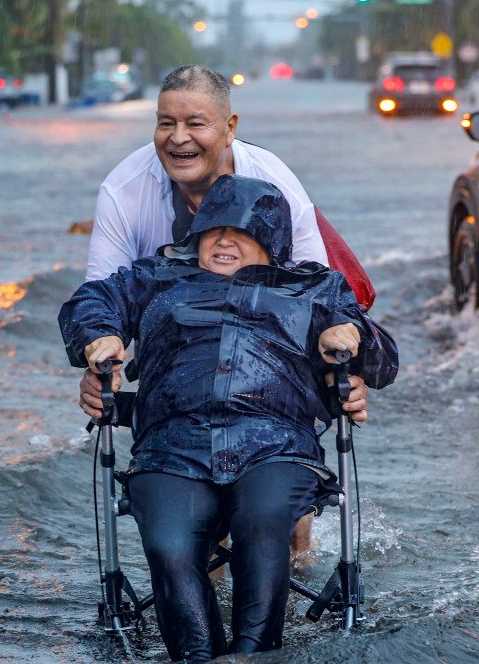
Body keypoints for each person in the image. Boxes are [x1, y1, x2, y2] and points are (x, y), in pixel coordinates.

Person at [60, 175, 398, 660]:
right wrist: (98, 336)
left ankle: (252, 654)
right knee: (169, 544)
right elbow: (89, 301)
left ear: (273, 242)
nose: (223, 241)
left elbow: (386, 362)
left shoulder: (316, 289)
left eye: (241, 232)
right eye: (213, 231)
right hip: (170, 447)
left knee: (263, 525)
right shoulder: (155, 277)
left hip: (276, 446)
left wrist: (352, 335)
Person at [77, 64, 371, 553]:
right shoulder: (124, 192)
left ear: (230, 127)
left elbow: (321, 296)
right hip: (178, 348)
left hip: (268, 363)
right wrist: (98, 361)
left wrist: (345, 370)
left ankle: (290, 552)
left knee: (279, 514)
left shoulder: (273, 184)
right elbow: (102, 298)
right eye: (166, 123)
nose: (178, 139)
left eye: (195, 123)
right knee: (193, 510)